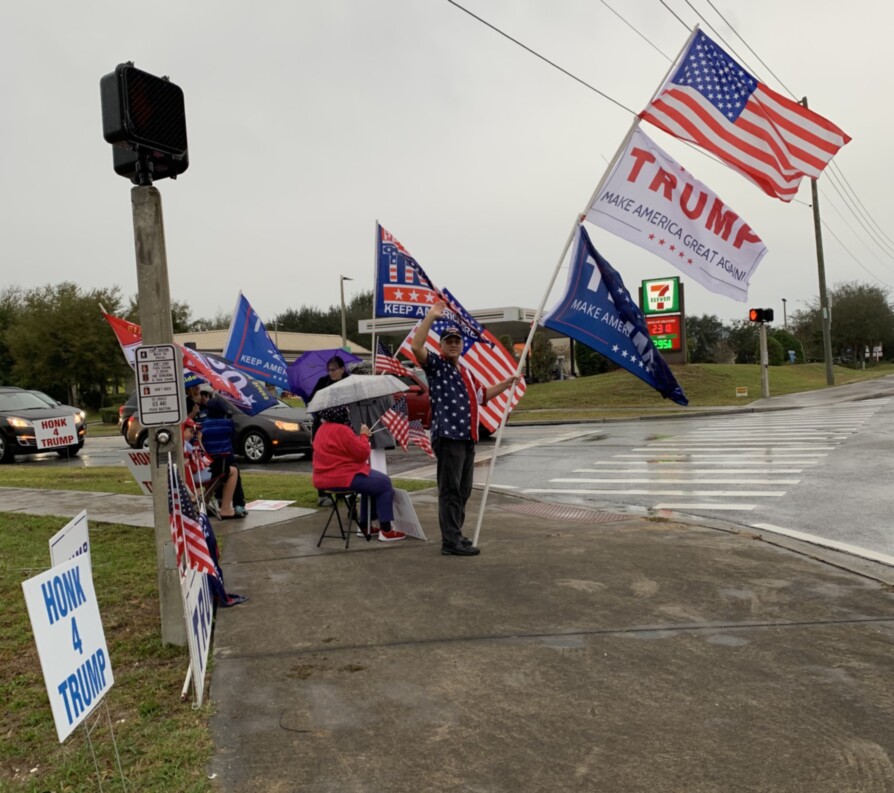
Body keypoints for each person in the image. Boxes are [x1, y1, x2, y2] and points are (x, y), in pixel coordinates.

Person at [411, 301, 519, 557]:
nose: (453, 344)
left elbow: (483, 396)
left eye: (456, 341)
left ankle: (455, 534)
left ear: (462, 345)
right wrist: (431, 317)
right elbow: (417, 346)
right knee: (450, 490)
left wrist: (506, 383)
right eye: (448, 341)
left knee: (464, 489)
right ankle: (450, 542)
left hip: (468, 437)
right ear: (441, 345)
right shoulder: (437, 367)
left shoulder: (467, 373)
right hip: (449, 437)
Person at [311, 405, 405, 542]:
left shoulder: (321, 430)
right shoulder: (343, 430)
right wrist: (364, 435)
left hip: (322, 479)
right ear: (340, 414)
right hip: (342, 477)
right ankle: (386, 529)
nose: (348, 413)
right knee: (384, 483)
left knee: (371, 482)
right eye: (346, 411)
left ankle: (365, 526)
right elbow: (362, 454)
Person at [309, 356, 350, 507]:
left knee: (342, 459)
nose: (331, 373)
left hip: (342, 427)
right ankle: (322, 494)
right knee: (322, 458)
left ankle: (343, 490)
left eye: (334, 369)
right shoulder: (323, 382)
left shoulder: (348, 382)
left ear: (342, 369)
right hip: (323, 425)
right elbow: (312, 401)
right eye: (329, 369)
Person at [199, 396, 247, 519]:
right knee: (234, 470)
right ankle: (237, 504)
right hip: (224, 460)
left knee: (221, 471)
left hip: (207, 463)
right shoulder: (228, 424)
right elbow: (232, 439)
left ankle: (215, 499)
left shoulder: (203, 426)